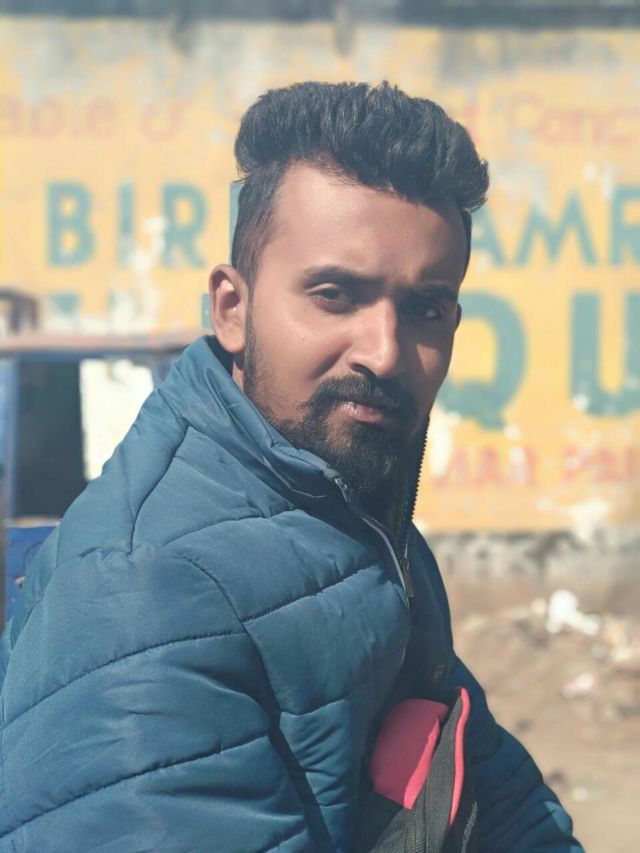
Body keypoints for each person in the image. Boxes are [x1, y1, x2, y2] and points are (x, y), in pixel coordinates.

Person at [0, 82, 582, 852]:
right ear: (231, 308)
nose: (384, 352)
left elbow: (495, 789)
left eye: (425, 309)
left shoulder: (350, 508)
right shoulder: (149, 597)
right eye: (335, 295)